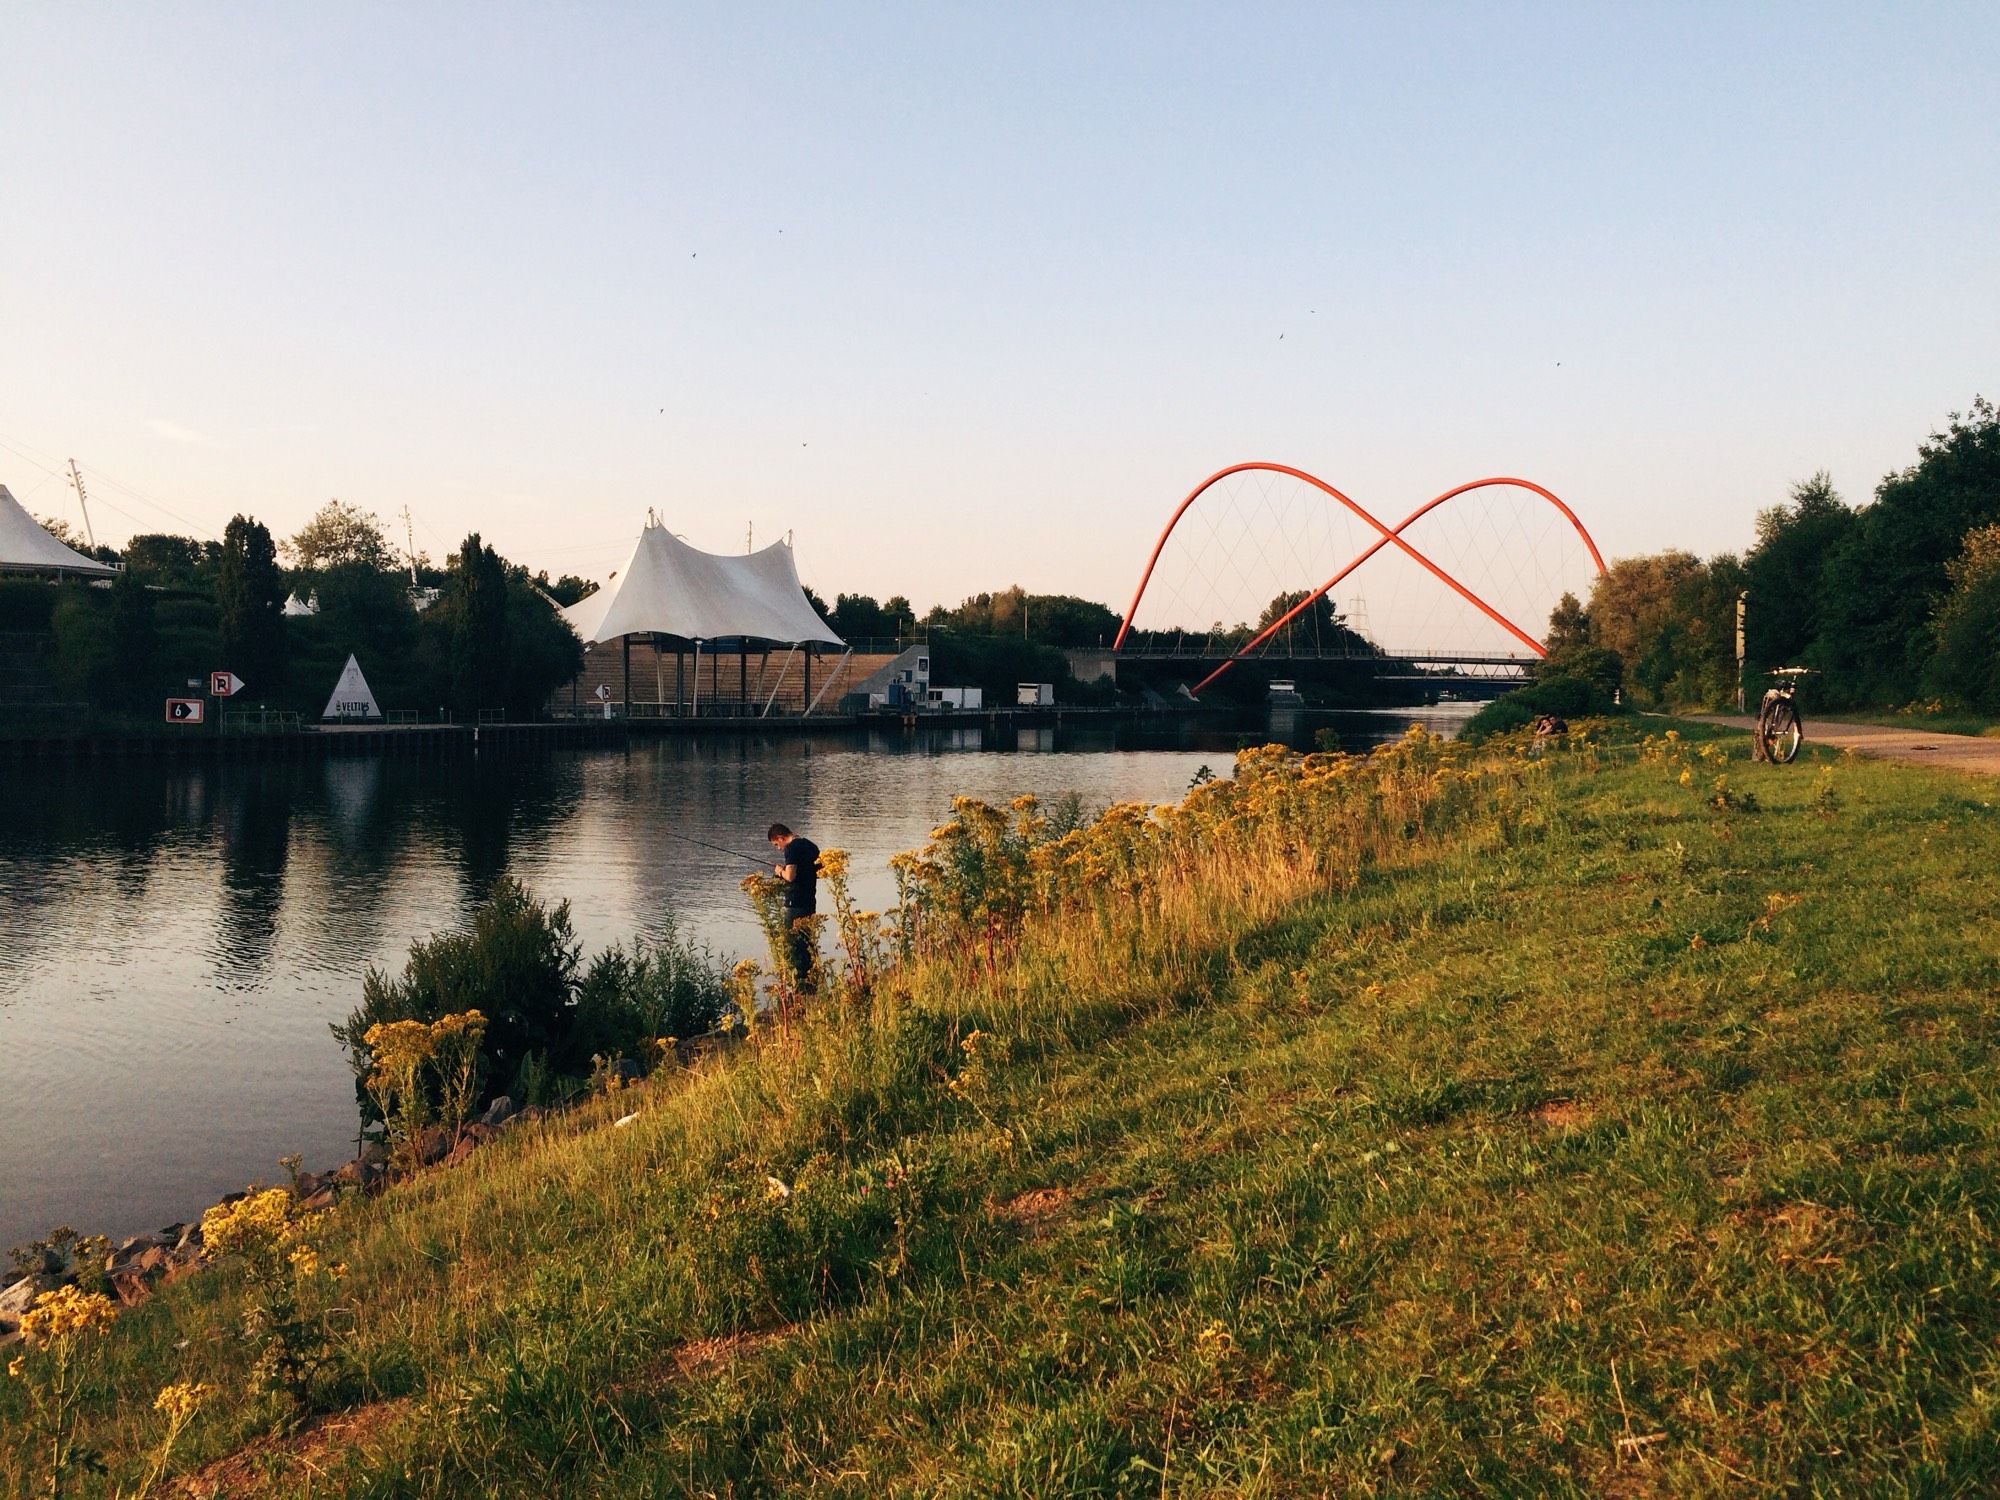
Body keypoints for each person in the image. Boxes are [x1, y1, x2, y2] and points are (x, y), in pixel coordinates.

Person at [767, 822, 820, 990]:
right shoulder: (809, 845)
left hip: (795, 903)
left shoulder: (791, 848)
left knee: (793, 945)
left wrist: (779, 871)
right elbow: (819, 866)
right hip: (810, 901)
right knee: (808, 943)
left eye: (777, 844)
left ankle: (801, 987)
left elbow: (790, 876)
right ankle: (813, 983)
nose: (778, 849)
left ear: (781, 838)